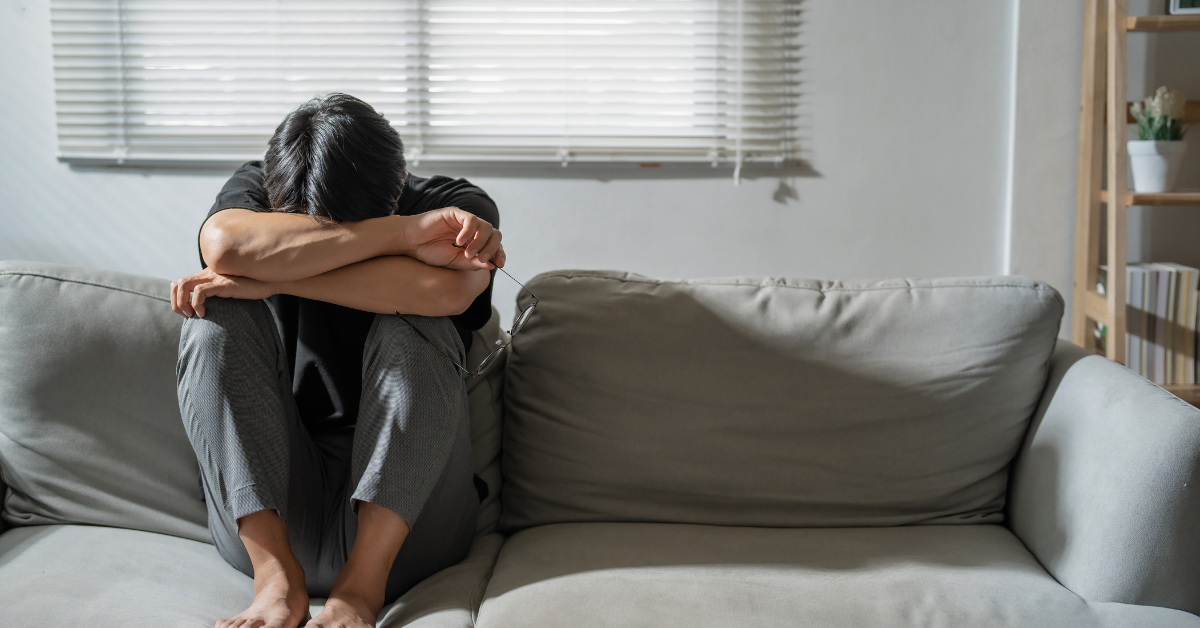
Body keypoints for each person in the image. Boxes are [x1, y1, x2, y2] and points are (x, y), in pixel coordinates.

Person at [170, 93, 503, 628]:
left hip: (413, 524)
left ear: (397, 189)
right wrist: (399, 237)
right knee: (215, 318)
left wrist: (275, 274)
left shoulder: (454, 207)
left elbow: (443, 295)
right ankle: (276, 580)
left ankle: (360, 594)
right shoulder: (258, 186)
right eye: (303, 228)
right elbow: (227, 248)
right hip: (274, 504)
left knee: (416, 318)